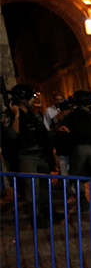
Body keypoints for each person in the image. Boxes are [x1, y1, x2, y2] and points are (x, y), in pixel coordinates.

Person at [4, 84, 55, 218]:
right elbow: (12, 134)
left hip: (41, 154)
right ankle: (36, 216)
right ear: (22, 99)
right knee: (33, 187)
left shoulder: (34, 114)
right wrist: (16, 115)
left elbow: (42, 133)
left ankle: (47, 212)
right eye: (30, 97)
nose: (33, 100)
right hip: (27, 156)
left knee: (45, 185)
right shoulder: (10, 115)